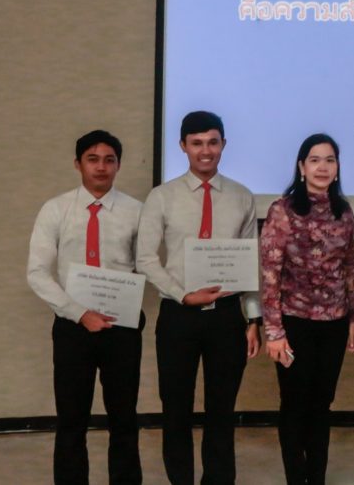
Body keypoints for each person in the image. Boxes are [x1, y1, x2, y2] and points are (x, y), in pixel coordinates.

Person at [136, 111, 262, 485]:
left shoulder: (241, 196)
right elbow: (145, 258)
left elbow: (250, 262)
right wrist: (182, 294)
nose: (205, 151)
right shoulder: (162, 197)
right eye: (196, 143)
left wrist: (253, 318)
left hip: (226, 317)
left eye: (212, 142)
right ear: (183, 146)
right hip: (179, 316)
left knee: (222, 411)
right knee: (176, 409)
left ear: (223, 144)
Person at [27, 130, 144, 485]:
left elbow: (147, 266)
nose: (101, 167)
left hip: (121, 328)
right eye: (92, 159)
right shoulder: (56, 209)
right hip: (73, 328)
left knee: (124, 420)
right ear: (78, 164)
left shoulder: (137, 212)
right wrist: (80, 313)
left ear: (118, 165)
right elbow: (37, 272)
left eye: (109, 160)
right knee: (71, 421)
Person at [260, 133, 354, 485]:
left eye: (330, 160)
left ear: (337, 168)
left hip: (334, 324)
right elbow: (270, 274)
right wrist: (274, 331)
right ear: (302, 167)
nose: (323, 167)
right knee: (294, 404)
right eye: (315, 160)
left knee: (321, 405)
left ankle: (316, 477)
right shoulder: (282, 210)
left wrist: (353, 317)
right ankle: (296, 477)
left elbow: (349, 268)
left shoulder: (343, 212)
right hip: (293, 324)